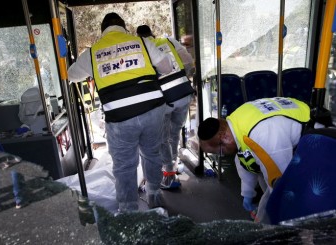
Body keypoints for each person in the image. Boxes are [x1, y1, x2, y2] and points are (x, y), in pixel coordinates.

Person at [67, 13, 173, 212]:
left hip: (120, 117)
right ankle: (154, 195)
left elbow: (72, 75)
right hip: (152, 110)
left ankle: (128, 210)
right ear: (124, 28)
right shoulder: (141, 42)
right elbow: (166, 67)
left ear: (103, 30)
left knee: (124, 165)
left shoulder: (93, 52)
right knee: (151, 153)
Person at [197, 97, 310, 223]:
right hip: (283, 135)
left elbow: (280, 184)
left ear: (224, 138)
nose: (222, 155)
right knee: (262, 170)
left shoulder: (263, 136)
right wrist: (247, 194)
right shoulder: (236, 123)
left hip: (316, 136)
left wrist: (265, 215)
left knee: (277, 191)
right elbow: (243, 160)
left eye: (220, 152)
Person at [136, 25, 195, 189]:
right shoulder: (168, 41)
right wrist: (184, 79)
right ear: (152, 33)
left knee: (162, 138)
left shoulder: (141, 50)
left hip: (163, 101)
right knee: (174, 132)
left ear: (139, 37)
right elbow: (188, 61)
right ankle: (174, 164)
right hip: (183, 94)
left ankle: (168, 172)